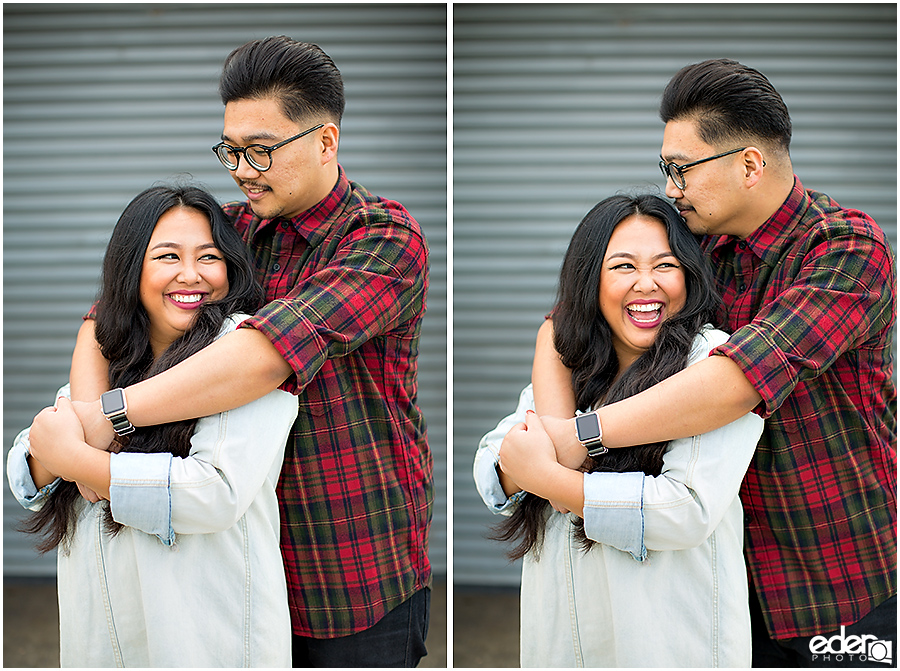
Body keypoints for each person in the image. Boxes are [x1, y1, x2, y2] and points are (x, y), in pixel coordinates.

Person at [66, 36, 432, 667]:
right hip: (228, 565)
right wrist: (83, 427)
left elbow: (266, 355)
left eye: (260, 151)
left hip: (349, 567)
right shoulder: (227, 231)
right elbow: (110, 311)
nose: (240, 168)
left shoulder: (382, 236)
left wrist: (109, 417)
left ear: (325, 141)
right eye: (231, 150)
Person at [534, 59, 896, 666]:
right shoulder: (691, 247)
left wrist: (582, 438)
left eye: (682, 169)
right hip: (711, 575)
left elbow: (738, 380)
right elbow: (565, 323)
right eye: (664, 170)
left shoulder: (846, 248)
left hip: (835, 572)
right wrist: (553, 433)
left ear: (749, 164)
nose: (671, 187)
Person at [7, 184, 299, 667]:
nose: (191, 275)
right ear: (131, 269)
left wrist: (78, 460)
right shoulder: (112, 353)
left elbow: (213, 492)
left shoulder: (241, 355)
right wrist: (48, 453)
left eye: (209, 257)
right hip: (103, 637)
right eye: (167, 256)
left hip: (205, 638)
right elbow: (28, 472)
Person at [474, 193, 764, 667]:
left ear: (689, 276)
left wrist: (545, 477)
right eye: (623, 267)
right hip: (563, 639)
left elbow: (684, 509)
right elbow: (493, 464)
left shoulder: (710, 362)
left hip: (668, 642)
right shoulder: (577, 361)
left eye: (665, 265)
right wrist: (519, 465)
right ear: (592, 280)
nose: (646, 284)